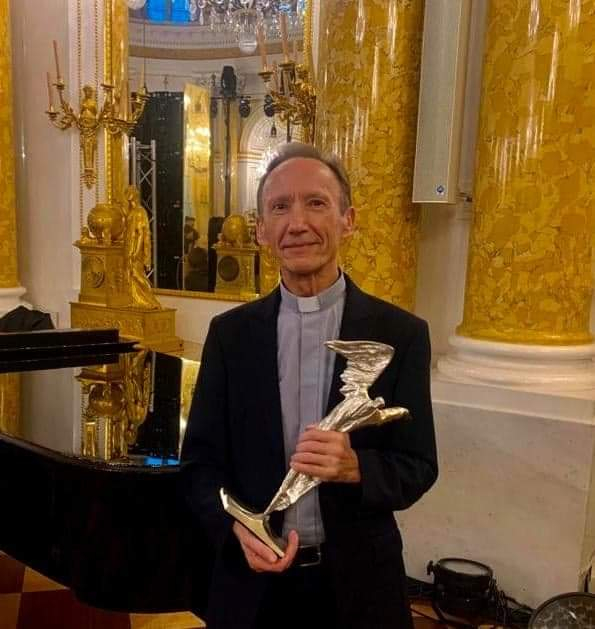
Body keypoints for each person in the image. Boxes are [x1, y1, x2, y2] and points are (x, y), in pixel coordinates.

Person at [181, 142, 438, 629]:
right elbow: (199, 467)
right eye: (280, 207)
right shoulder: (230, 335)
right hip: (251, 588)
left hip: (360, 587)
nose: (297, 223)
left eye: (316, 203)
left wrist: (356, 467)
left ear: (347, 219)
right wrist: (234, 529)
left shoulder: (400, 335)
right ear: (261, 229)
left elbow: (419, 465)